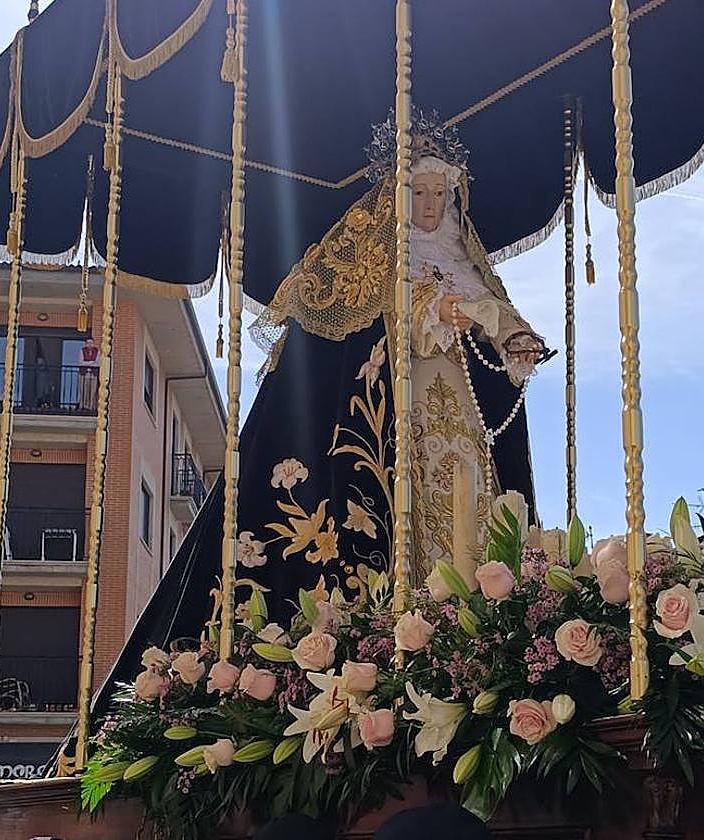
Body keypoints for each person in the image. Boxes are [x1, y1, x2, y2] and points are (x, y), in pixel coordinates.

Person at [57, 109, 551, 768]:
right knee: (413, 536)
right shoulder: (377, 258)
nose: (432, 206)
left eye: (441, 193)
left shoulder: (464, 260)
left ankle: (475, 651)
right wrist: (462, 312)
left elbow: (496, 319)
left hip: (460, 426)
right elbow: (406, 312)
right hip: (400, 435)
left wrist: (512, 335)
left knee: (473, 525)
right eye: (420, 193)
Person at [78, 337, 99, 412]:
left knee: (93, 391)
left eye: (91, 343)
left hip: (93, 374)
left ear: (93, 344)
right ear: (86, 344)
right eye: (88, 343)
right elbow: (81, 362)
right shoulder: (82, 351)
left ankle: (91, 406)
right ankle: (83, 406)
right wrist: (91, 362)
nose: (90, 344)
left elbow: (98, 363)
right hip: (84, 374)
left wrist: (87, 363)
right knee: (84, 390)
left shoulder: (97, 351)